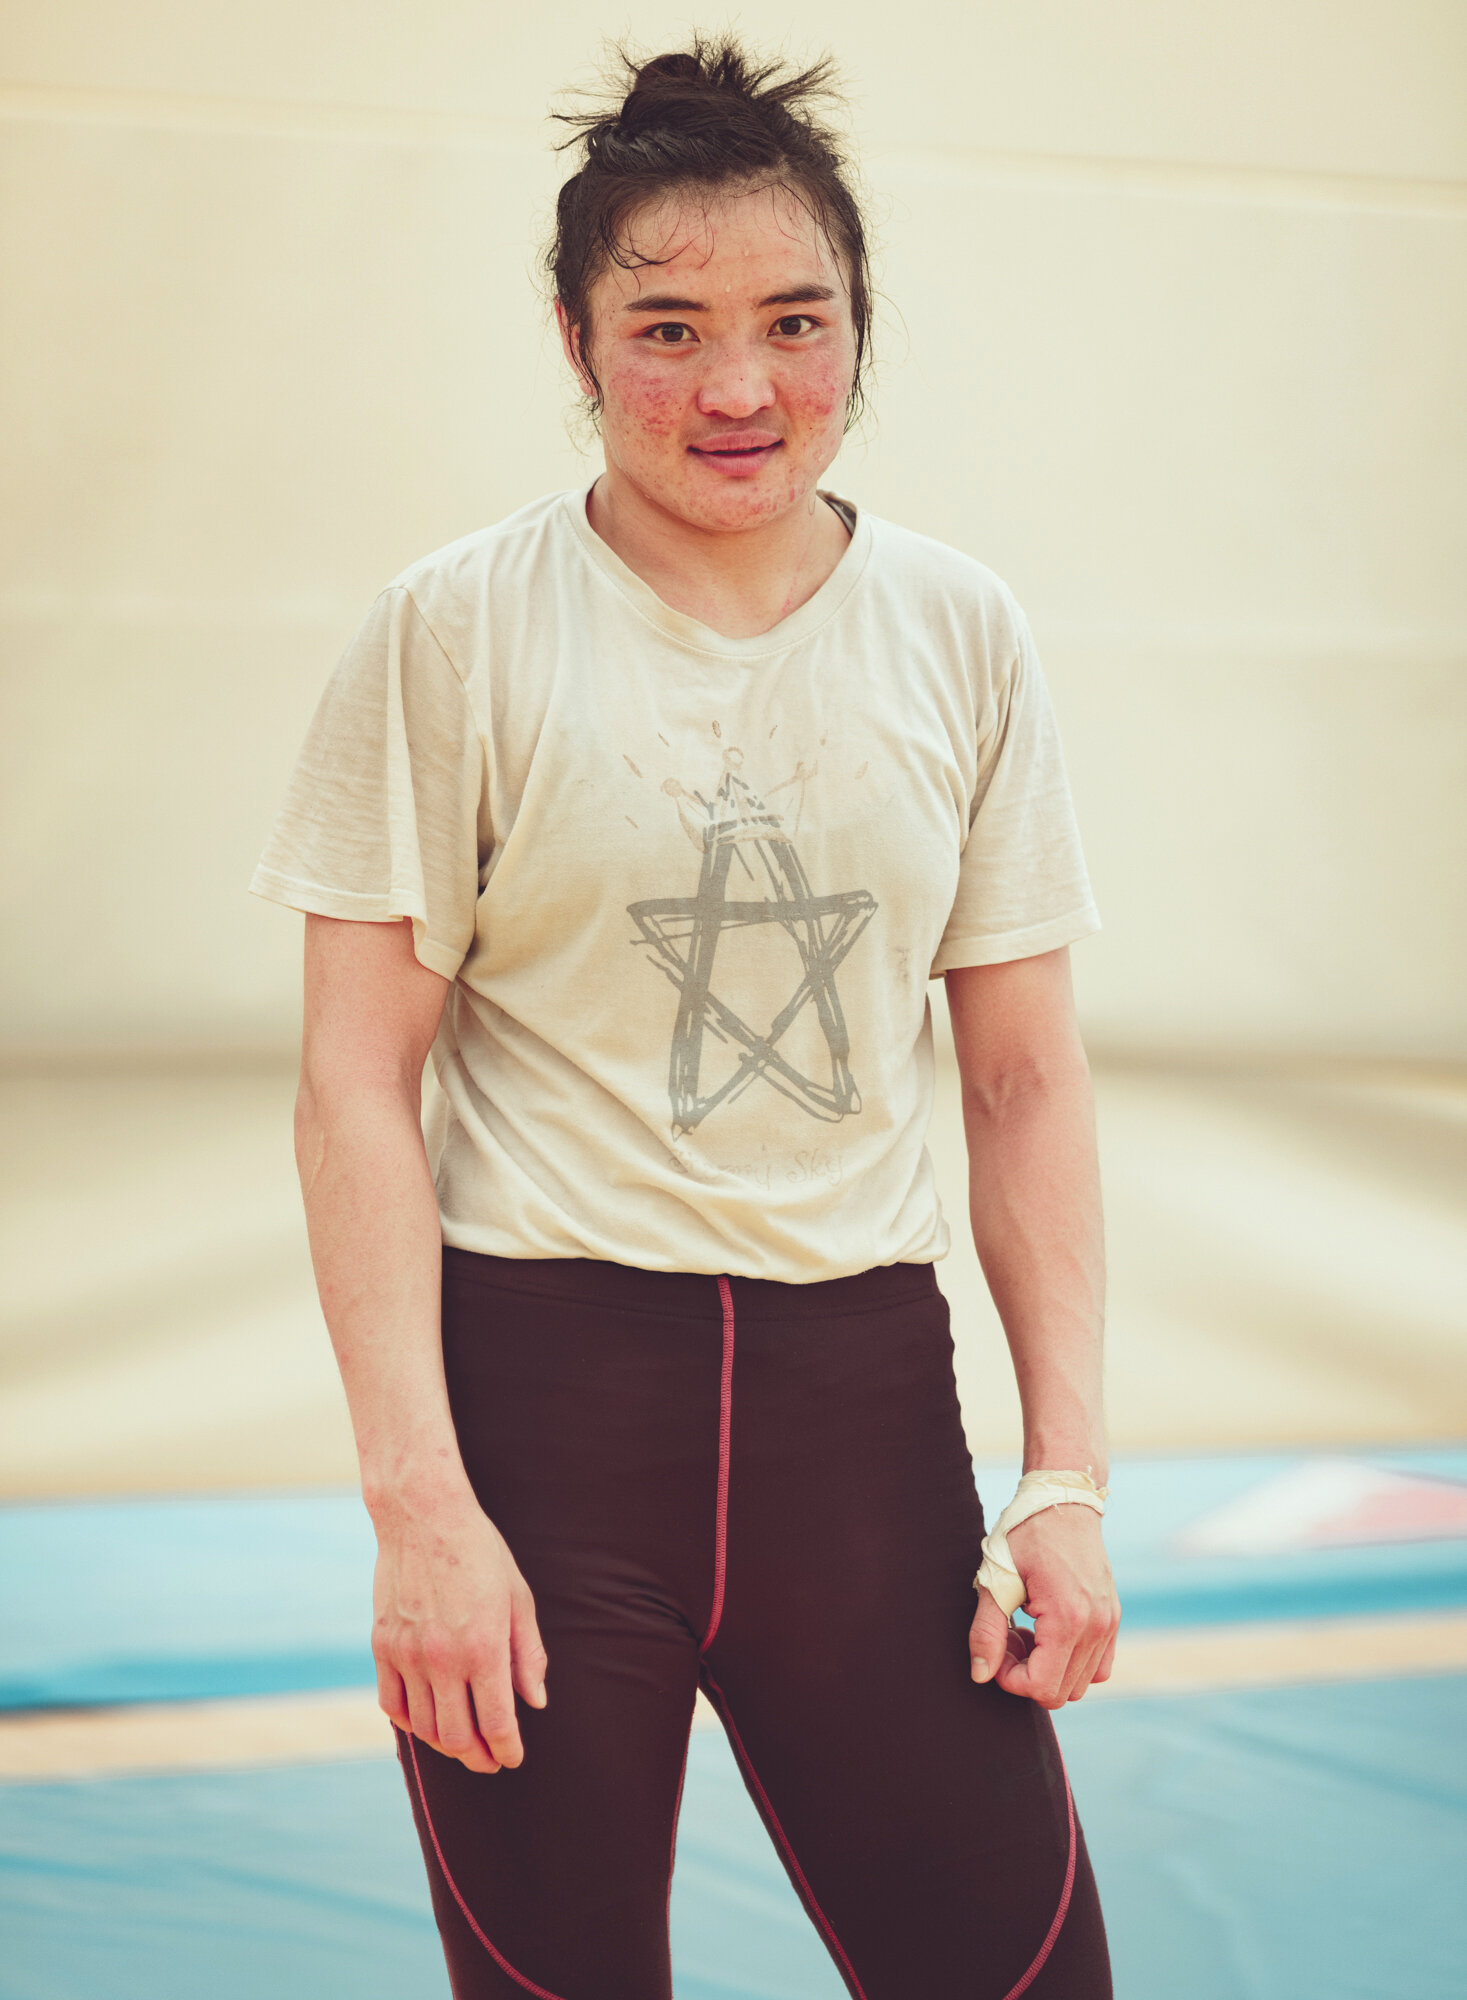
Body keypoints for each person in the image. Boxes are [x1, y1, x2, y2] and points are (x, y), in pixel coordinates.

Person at [252, 38, 1119, 2000]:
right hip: (547, 1423)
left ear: (856, 331)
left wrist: (1058, 1477)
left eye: (792, 323)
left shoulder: (957, 630)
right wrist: (419, 1512)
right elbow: (353, 1078)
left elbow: (1020, 1070)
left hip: (863, 1419)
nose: (737, 389)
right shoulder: (454, 631)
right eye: (667, 328)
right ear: (573, 338)